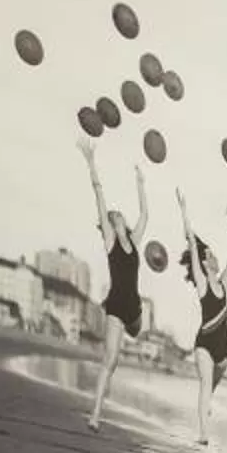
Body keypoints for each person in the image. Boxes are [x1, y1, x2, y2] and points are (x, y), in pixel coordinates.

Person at [80, 140, 148, 430]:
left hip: (135, 309)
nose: (115, 215)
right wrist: (91, 161)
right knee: (110, 360)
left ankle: (135, 334)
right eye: (112, 216)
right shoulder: (110, 242)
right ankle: (95, 416)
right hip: (117, 307)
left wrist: (140, 182)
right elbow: (99, 194)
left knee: (137, 330)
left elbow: (145, 214)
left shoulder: (134, 240)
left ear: (125, 222)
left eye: (118, 215)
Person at [173, 189, 227, 445]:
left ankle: (208, 402)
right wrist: (184, 211)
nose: (215, 255)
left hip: (224, 351)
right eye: (210, 254)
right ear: (203, 262)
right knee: (204, 386)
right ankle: (203, 434)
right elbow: (192, 243)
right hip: (204, 343)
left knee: (211, 385)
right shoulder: (202, 283)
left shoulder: (223, 282)